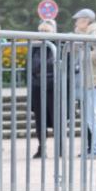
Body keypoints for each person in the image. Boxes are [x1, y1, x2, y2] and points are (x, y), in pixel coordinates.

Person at [73, 9, 96, 157]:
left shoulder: (95, 33)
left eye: (78, 19)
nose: (75, 22)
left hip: (95, 80)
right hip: (92, 80)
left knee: (94, 116)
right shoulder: (87, 34)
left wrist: (85, 55)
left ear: (86, 20)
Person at [30, 19, 57, 159]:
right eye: (41, 31)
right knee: (39, 119)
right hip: (37, 86)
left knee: (56, 117)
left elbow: (52, 64)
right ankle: (42, 147)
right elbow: (31, 66)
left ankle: (59, 147)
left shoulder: (56, 45)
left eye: (46, 31)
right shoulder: (34, 46)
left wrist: (40, 68)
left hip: (53, 86)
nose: (43, 34)